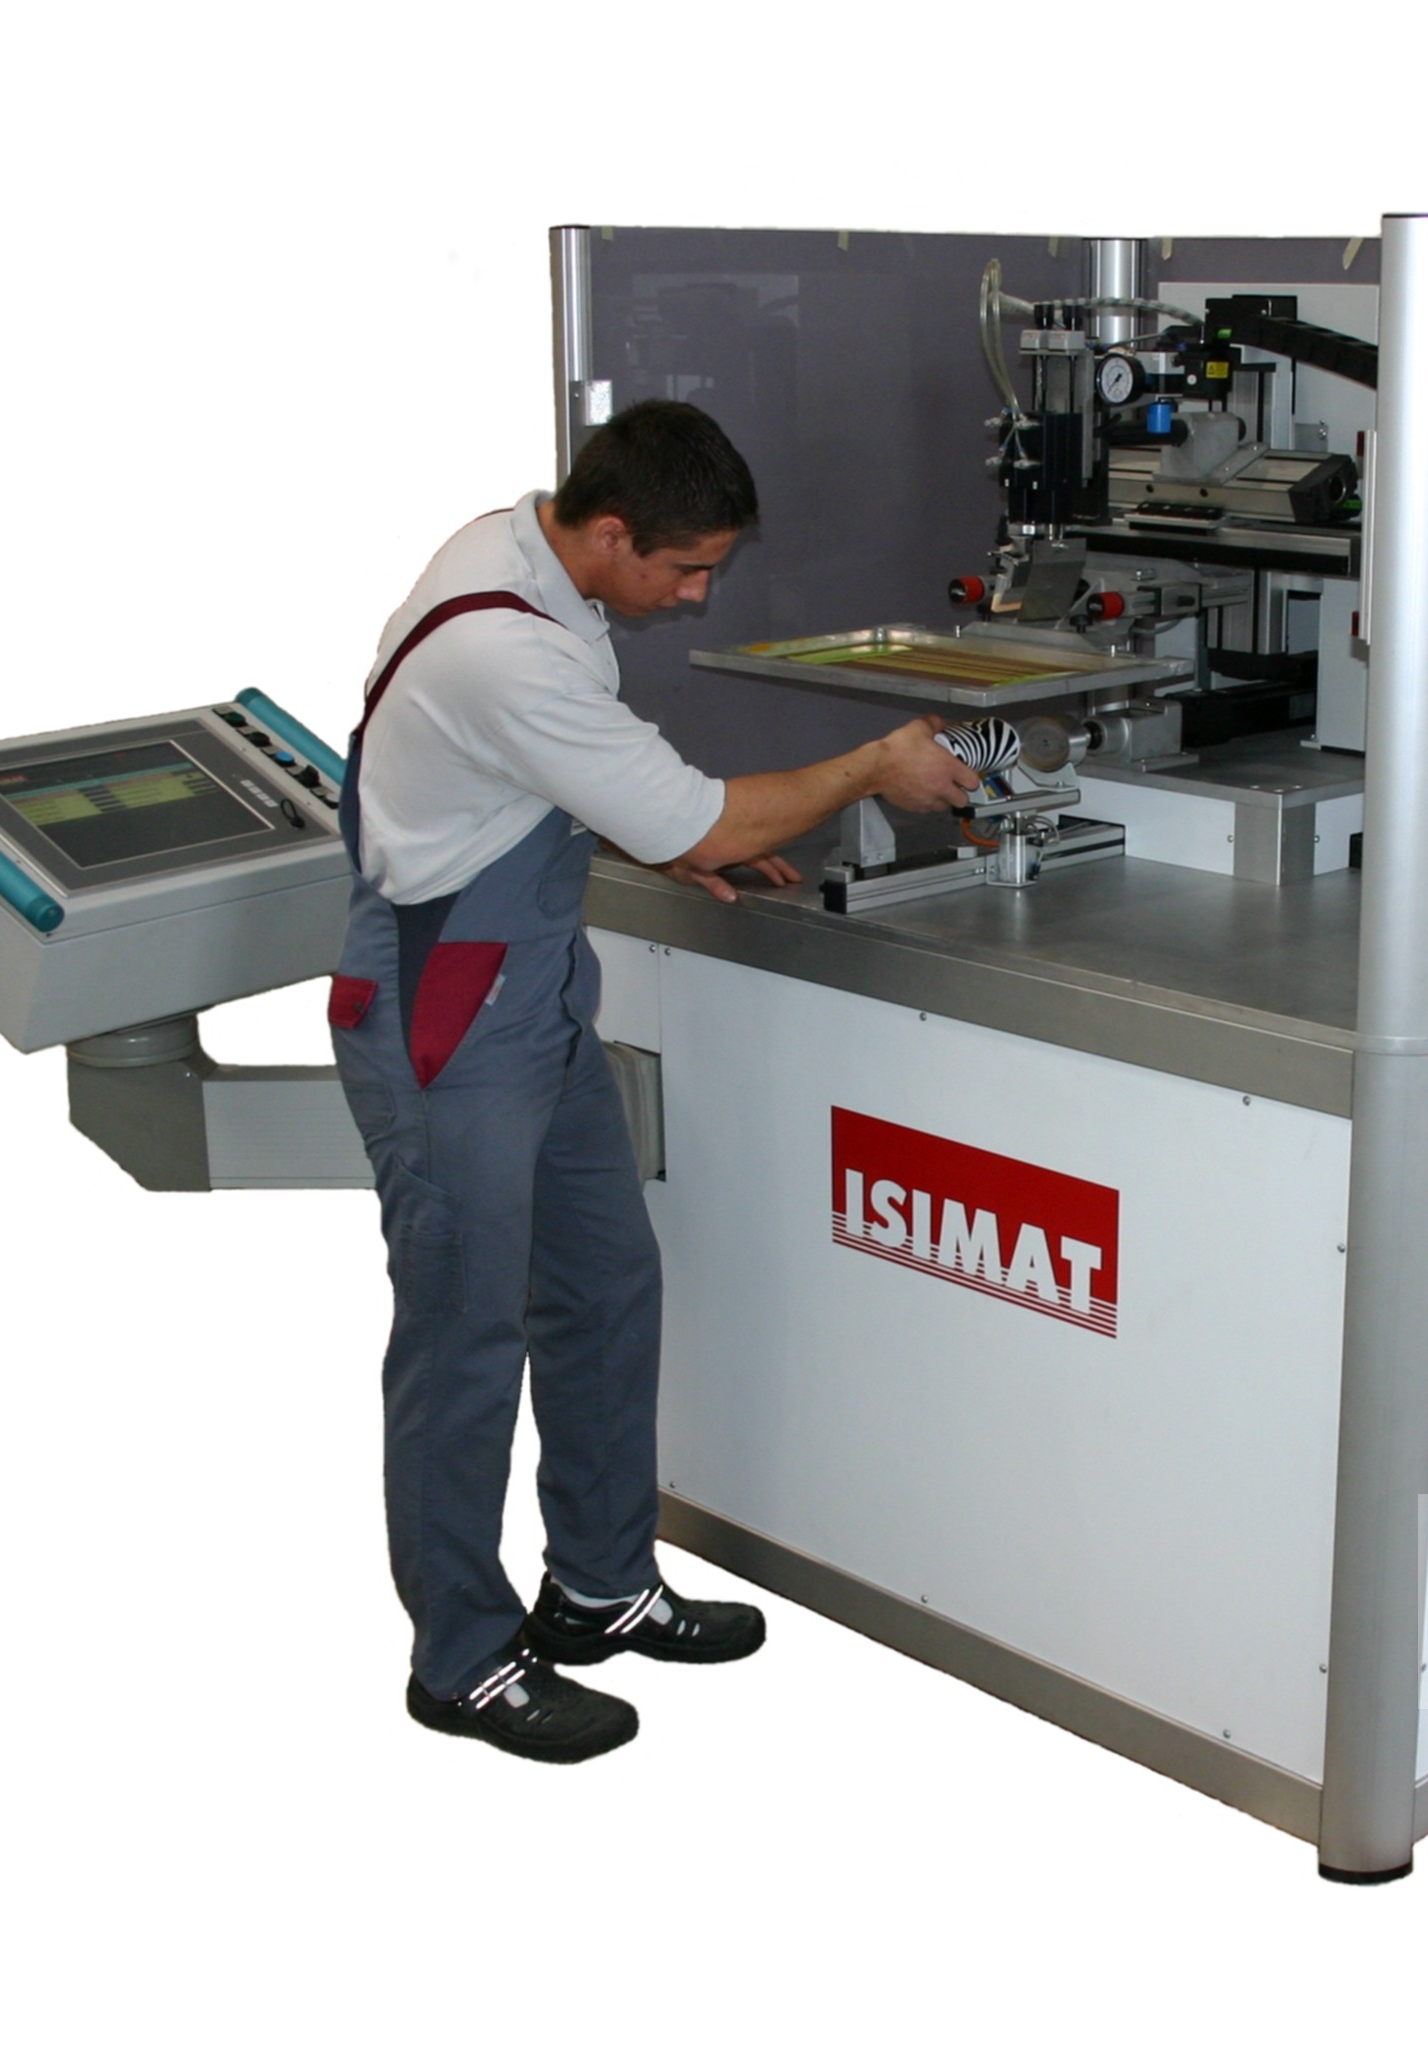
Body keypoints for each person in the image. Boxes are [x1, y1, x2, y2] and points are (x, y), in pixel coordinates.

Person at [327, 399, 979, 1764]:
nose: (694, 598)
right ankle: (460, 1659)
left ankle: (599, 1585)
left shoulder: (529, 554)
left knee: (605, 1287)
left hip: (533, 985)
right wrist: (866, 766)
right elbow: (699, 810)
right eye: (685, 571)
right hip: (449, 1005)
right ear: (611, 531)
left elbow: (549, 778)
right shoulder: (504, 644)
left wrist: (651, 833)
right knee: (463, 1342)